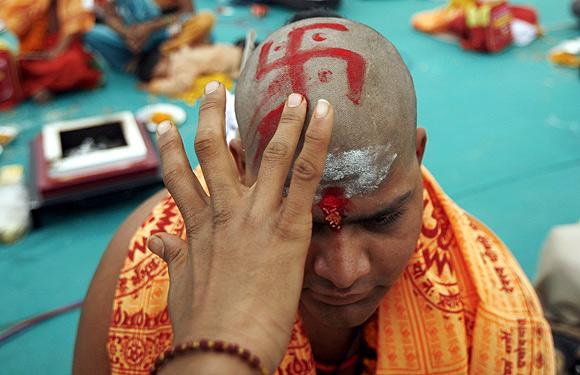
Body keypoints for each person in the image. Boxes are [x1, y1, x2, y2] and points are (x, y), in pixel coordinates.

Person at [74, 18, 555, 374]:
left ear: (418, 155)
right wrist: (222, 341)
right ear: (239, 170)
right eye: (299, 223)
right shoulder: (140, 268)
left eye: (383, 219)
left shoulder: (493, 307)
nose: (344, 274)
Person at [0, 0, 102, 104]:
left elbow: (74, 26)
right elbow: (13, 28)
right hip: (31, 51)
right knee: (14, 66)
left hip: (62, 45)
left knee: (72, 62)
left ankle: (37, 86)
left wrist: (57, 51)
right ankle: (38, 87)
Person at [84, 0, 194, 72]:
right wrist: (127, 33)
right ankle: (131, 62)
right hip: (131, 34)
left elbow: (188, 12)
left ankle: (154, 57)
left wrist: (151, 27)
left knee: (202, 21)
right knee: (90, 32)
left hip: (163, 30)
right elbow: (109, 16)